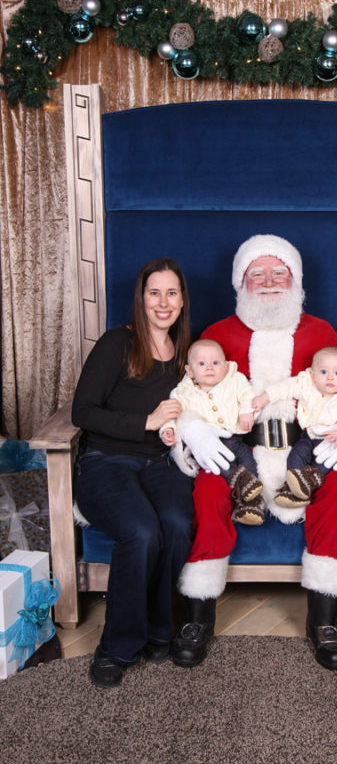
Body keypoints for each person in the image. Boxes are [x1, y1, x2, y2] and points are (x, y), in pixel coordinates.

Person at [169, 234, 337, 671]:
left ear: (295, 280)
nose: (269, 281)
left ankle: (325, 620)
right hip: (237, 448)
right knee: (206, 491)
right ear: (241, 282)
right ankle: (198, 617)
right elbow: (188, 395)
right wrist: (195, 431)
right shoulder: (217, 336)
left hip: (308, 448)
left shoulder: (321, 334)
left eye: (279, 272)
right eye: (257, 274)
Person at [72, 258, 194, 688]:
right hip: (106, 461)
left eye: (172, 293)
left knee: (178, 523)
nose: (164, 302)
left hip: (158, 463)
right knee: (141, 531)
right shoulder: (116, 343)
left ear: (182, 300)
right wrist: (145, 420)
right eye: (154, 292)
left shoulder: (185, 351)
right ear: (141, 298)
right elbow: (82, 411)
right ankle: (118, 645)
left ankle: (160, 629)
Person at [252, 346, 337, 507]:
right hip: (309, 435)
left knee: (323, 465)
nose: (330, 378)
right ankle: (293, 488)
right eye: (323, 372)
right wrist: (265, 397)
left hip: (333, 440)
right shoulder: (306, 383)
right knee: (295, 458)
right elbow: (286, 387)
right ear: (312, 374)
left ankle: (307, 484)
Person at [160, 339, 264, 525]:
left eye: (215, 363)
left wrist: (246, 410)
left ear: (225, 366)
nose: (209, 367)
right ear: (190, 371)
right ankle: (239, 481)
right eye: (202, 364)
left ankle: (253, 504)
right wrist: (168, 428)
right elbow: (173, 414)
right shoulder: (183, 393)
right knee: (218, 467)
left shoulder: (234, 380)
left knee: (250, 463)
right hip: (206, 445)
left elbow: (247, 394)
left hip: (235, 439)